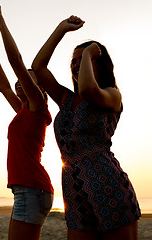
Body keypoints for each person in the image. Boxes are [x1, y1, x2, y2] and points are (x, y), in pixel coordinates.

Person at [31, 15, 141, 239]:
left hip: (107, 183)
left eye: (83, 59)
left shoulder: (112, 95)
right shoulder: (66, 99)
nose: (77, 64)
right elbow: (38, 67)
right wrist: (61, 29)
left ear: (100, 64)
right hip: (73, 190)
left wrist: (90, 52)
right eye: (74, 60)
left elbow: (89, 91)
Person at [0, 3, 54, 239]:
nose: (20, 80)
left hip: (32, 188)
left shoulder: (37, 105)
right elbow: (3, 87)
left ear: (39, 88)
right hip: (26, 189)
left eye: (27, 78)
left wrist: (0, 20)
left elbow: (16, 61)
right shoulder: (24, 110)